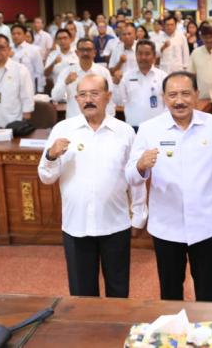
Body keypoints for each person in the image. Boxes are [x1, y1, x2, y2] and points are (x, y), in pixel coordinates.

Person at [126, 72, 212, 301]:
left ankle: (206, 326)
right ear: (164, 97)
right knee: (170, 292)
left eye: (186, 94)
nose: (179, 101)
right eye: (173, 95)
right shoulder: (149, 129)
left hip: (206, 223)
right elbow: (130, 176)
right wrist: (140, 165)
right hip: (166, 226)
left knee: (207, 291)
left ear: (196, 94)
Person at [39, 74, 143, 298]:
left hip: (115, 223)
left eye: (94, 94)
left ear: (108, 96)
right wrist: (51, 156)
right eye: (83, 95)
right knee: (82, 295)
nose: (88, 100)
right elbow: (46, 177)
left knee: (118, 291)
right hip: (77, 225)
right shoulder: (62, 129)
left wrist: (138, 214)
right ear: (76, 99)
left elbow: (135, 177)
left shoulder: (124, 131)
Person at [52, 38, 114, 119]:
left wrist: (108, 119)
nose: (85, 53)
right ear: (77, 53)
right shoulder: (67, 72)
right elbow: (55, 97)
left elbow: (109, 99)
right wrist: (65, 83)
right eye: (82, 50)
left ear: (94, 52)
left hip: (97, 120)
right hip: (74, 120)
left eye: (88, 50)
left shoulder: (103, 72)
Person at [114, 40, 166, 129]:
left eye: (147, 54)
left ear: (154, 56)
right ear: (136, 55)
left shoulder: (163, 76)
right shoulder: (126, 76)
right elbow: (118, 102)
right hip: (133, 126)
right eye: (140, 54)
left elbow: (168, 104)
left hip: (158, 127)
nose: (143, 57)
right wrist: (116, 84)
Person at [10, 24, 45, 93]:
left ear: (25, 35)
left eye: (19, 33)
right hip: (11, 87)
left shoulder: (33, 50)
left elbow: (39, 71)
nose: (16, 36)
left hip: (28, 88)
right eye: (13, 34)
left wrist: (40, 89)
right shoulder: (7, 49)